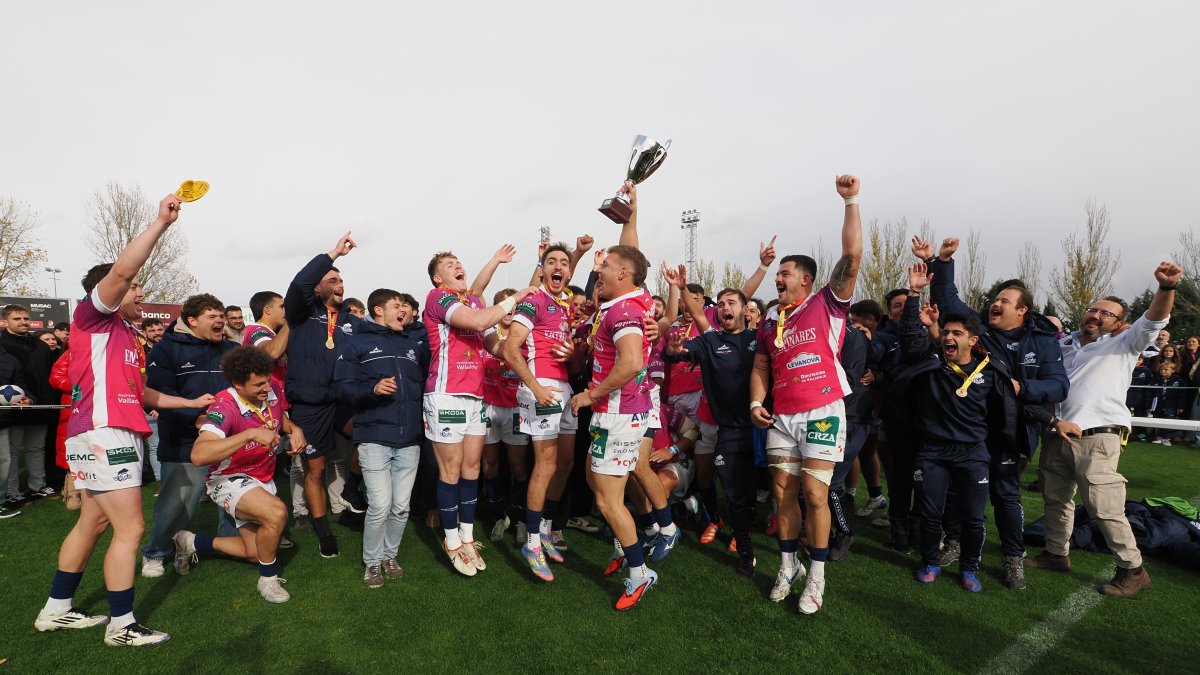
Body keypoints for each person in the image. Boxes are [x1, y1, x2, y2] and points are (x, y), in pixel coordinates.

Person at [34, 193, 213, 646]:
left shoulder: (123, 335)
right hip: (104, 433)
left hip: (105, 431)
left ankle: (56, 610)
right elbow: (121, 271)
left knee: (92, 523)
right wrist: (160, 224)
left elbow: (143, 392)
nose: (140, 294)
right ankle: (123, 626)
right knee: (130, 528)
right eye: (136, 291)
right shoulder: (94, 315)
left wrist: (188, 403)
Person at [919, 235, 1070, 589]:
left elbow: (1059, 386)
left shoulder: (1042, 342)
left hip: (1011, 431)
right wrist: (942, 264)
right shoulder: (981, 332)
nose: (995, 304)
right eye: (995, 299)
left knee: (1005, 495)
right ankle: (954, 544)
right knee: (957, 492)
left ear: (1023, 310)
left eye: (1005, 300)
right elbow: (948, 301)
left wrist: (1023, 388)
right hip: (970, 430)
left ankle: (1012, 559)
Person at [1026, 262, 1183, 598]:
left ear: (1119, 322)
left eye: (1105, 313)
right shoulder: (1062, 344)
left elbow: (1154, 319)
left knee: (1103, 506)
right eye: (1092, 309)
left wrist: (1166, 288)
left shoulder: (1126, 342)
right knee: (1056, 500)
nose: (1095, 315)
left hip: (1097, 436)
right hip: (1056, 433)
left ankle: (1132, 569)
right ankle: (1056, 554)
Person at [749, 174, 861, 615]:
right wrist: (757, 402)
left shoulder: (827, 303)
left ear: (807, 280)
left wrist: (850, 200)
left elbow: (851, 256)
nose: (778, 278)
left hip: (822, 411)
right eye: (777, 274)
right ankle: (787, 564)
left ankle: (816, 576)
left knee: (816, 496)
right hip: (782, 417)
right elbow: (761, 366)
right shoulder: (770, 321)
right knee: (782, 494)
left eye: (785, 273)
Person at [894, 263, 1019, 592]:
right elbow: (909, 337)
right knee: (930, 513)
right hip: (933, 451)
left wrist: (1004, 446)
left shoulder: (989, 372)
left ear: (972, 340)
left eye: (957, 333)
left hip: (972, 452)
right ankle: (932, 563)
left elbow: (1001, 413)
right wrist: (914, 294)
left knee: (974, 517)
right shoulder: (933, 363)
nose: (949, 337)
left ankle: (969, 569)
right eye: (946, 332)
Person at [423, 249, 536, 576]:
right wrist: (514, 298)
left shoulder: (472, 302)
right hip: (446, 396)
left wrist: (516, 352)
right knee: (452, 469)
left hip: (475, 397)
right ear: (437, 278)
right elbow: (475, 321)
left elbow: (491, 342)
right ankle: (451, 540)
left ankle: (469, 537)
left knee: (473, 468)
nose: (458, 266)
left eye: (459, 262)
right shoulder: (437, 298)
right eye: (449, 265)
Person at [173, 347, 306, 603]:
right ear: (237, 383)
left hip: (261, 477)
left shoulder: (272, 388)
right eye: (259, 384)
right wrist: (250, 434)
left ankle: (189, 541)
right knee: (276, 513)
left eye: (268, 380)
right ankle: (268, 580)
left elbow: (278, 415)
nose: (267, 387)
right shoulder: (225, 406)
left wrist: (294, 428)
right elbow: (199, 455)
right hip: (228, 478)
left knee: (256, 552)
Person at [568, 244, 659, 610]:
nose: (599, 271)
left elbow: (631, 362)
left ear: (623, 274)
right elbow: (633, 247)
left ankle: (640, 574)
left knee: (608, 499)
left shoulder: (622, 309)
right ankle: (626, 548)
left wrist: (591, 394)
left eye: (605, 266)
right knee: (593, 478)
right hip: (618, 413)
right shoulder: (634, 301)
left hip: (618, 414)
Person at [663, 267, 761, 577]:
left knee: (750, 490)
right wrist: (674, 349)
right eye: (719, 303)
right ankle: (744, 549)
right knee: (729, 488)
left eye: (730, 302)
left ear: (745, 309)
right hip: (724, 427)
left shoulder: (759, 340)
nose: (724, 307)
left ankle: (747, 534)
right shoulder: (709, 341)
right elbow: (677, 355)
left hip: (758, 427)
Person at [335, 288, 430, 588]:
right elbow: (342, 388)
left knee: (401, 506)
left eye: (405, 306)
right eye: (396, 306)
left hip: (410, 439)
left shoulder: (414, 344)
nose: (404, 310)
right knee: (380, 505)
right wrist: (372, 390)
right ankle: (372, 563)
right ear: (378, 310)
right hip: (373, 437)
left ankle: (390, 555)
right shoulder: (356, 343)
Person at [140, 294, 238, 577]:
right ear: (192, 321)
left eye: (221, 315)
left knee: (232, 497)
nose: (220, 320)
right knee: (177, 503)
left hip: (226, 439)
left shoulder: (232, 348)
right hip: (182, 440)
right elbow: (160, 394)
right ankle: (156, 552)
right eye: (212, 316)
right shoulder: (166, 350)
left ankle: (228, 546)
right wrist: (194, 418)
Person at [501, 243, 580, 580]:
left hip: (563, 387)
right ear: (542, 269)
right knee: (545, 465)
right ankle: (531, 542)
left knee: (565, 464)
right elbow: (509, 348)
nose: (559, 267)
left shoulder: (564, 307)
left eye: (564, 263)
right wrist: (535, 388)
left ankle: (545, 528)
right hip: (541, 388)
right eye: (552, 262)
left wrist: (571, 353)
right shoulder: (532, 300)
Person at [284, 232, 363, 558]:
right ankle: (322, 530)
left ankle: (350, 491)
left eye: (342, 279)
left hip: (344, 401)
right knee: (314, 471)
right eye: (332, 279)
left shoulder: (351, 322)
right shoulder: (301, 314)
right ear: (318, 287)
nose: (339, 283)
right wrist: (333, 254)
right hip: (311, 406)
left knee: (370, 440)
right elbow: (299, 283)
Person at [1, 304, 58, 503]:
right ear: (5, 321)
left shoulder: (40, 345)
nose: (23, 322)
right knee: (13, 452)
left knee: (36, 448)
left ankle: (38, 486)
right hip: (12, 408)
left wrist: (41, 401)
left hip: (39, 405)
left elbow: (49, 375)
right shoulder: (3, 345)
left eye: (26, 318)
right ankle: (12, 490)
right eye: (17, 319)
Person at [0, 349, 32, 518]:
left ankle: (0, 503)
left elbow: (21, 387)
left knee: (2, 462)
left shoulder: (10, 359)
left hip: (2, 421)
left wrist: (26, 399)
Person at [1146, 360, 1186, 445]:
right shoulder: (1155, 380)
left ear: (1173, 370)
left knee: (1169, 420)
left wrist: (1181, 406)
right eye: (1161, 369)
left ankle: (1167, 438)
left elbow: (1182, 395)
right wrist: (1149, 405)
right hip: (1157, 405)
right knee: (1157, 420)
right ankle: (1158, 437)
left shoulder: (1179, 381)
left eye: (1166, 369)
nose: (1163, 371)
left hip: (1172, 405)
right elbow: (1149, 393)